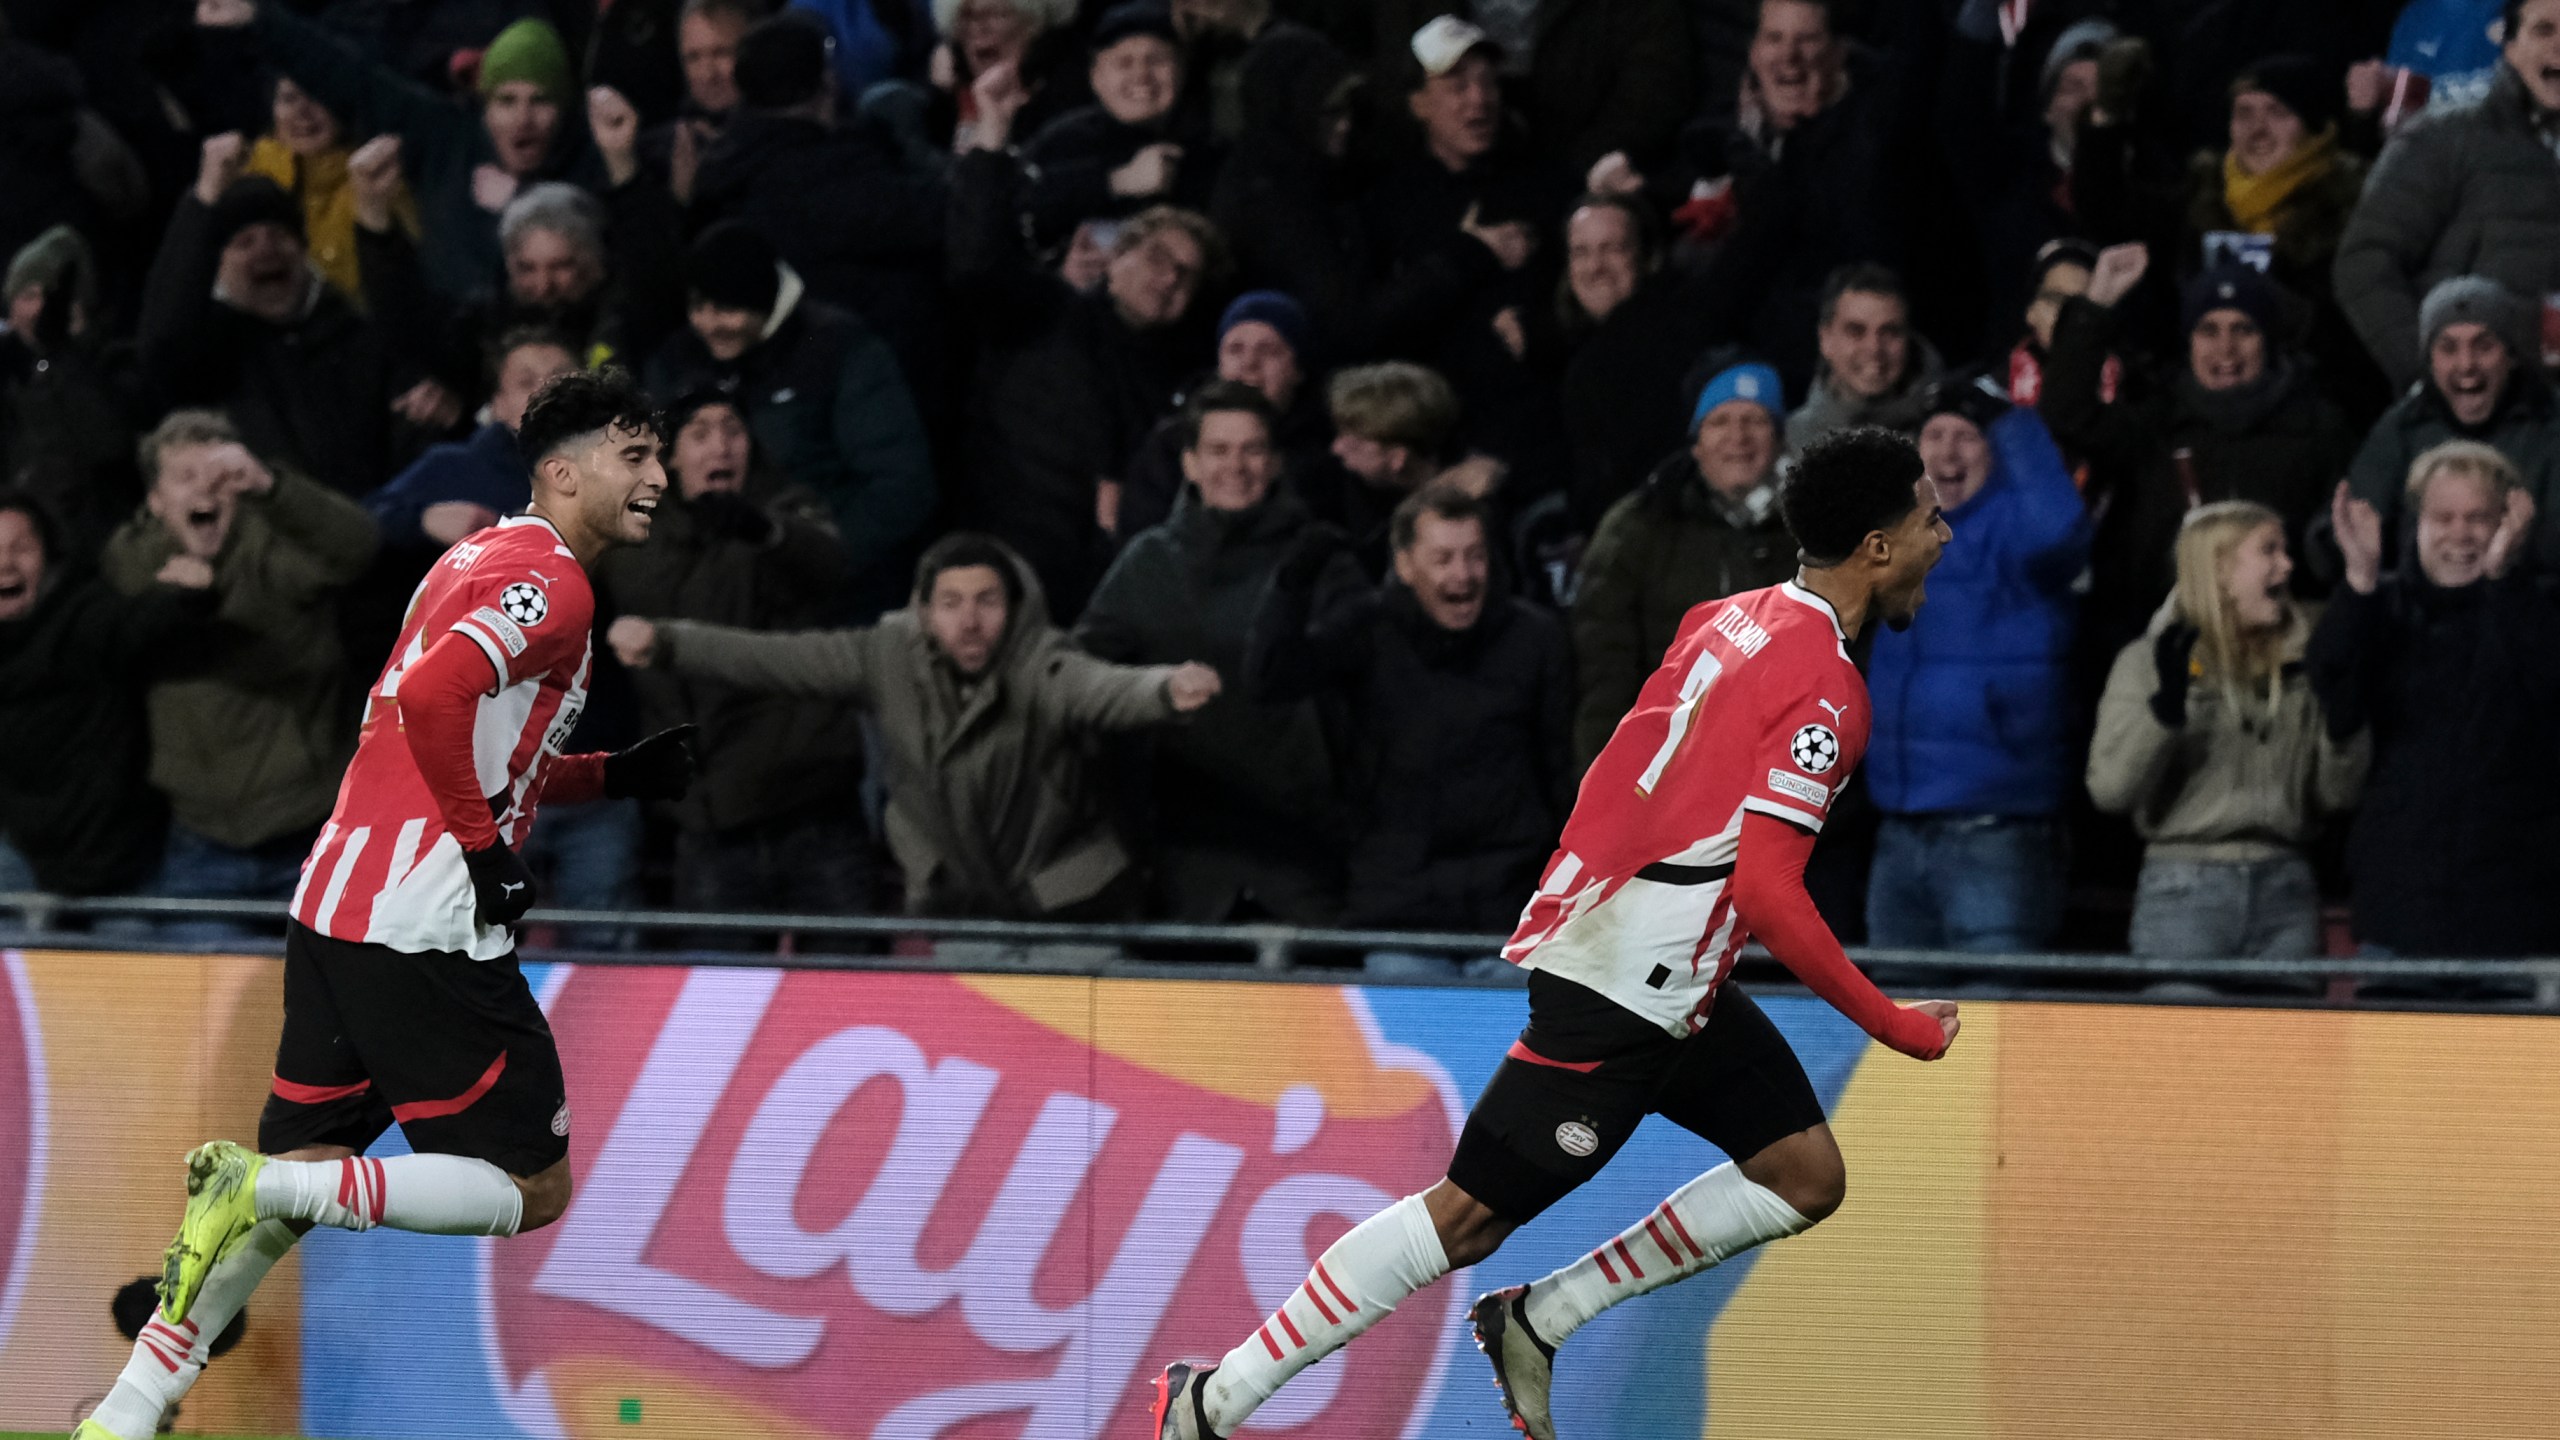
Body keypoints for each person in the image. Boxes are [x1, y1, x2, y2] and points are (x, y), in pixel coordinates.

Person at [1146, 425, 1961, 1440]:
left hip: (1657, 963)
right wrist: (1892, 1023)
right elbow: (1768, 891)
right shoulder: (1828, 691)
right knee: (1466, 1217)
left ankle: (1541, 1316)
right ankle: (1212, 1403)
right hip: (1629, 986)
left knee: (1804, 1175)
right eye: (1929, 517)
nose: (1944, 533)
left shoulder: (1728, 616)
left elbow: (1625, 768)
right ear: (1876, 547)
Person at [72, 369, 698, 1440]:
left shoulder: (472, 557)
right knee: (529, 1185)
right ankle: (266, 1193)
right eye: (633, 456)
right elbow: (434, 699)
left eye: (657, 454)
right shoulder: (558, 586)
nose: (657, 475)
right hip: (425, 922)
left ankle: (130, 1411)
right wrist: (482, 856)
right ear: (563, 470)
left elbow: (449, 731)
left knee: (302, 1170)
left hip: (335, 905)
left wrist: (609, 775)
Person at [611, 531, 1221, 917]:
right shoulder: (884, 656)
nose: (971, 620)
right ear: (925, 612)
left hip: (1071, 906)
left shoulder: (1043, 660)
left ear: (1014, 610)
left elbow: (1107, 689)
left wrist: (1166, 690)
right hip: (958, 905)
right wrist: (669, 643)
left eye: (987, 601)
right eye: (952, 603)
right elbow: (771, 658)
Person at [1242, 483, 1572, 957]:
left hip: (1510, 913)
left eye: (1474, 556)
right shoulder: (1367, 629)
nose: (1463, 575)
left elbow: (1563, 772)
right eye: (1443, 559)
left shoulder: (1536, 638)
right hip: (1396, 911)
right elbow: (1269, 679)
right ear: (1405, 565)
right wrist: (1292, 581)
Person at [1078, 383, 1366, 922]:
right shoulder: (1148, 564)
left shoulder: (1320, 558)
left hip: (1304, 849)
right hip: (1184, 851)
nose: (1236, 466)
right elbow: (1083, 676)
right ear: (1189, 463)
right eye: (1218, 450)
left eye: (1252, 450)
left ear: (1276, 462)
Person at [948, 60, 1227, 618]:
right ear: (1116, 256)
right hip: (1010, 567)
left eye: (1188, 274)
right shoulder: (1047, 312)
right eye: (1158, 257)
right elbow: (978, 263)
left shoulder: (1181, 380)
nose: (1170, 277)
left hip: (1108, 594)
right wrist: (993, 134)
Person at [98, 412, 380, 930]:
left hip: (310, 833)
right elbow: (122, 597)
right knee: (205, 1009)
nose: (206, 490)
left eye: (220, 476)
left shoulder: (275, 550)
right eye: (185, 478)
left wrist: (271, 485)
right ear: (155, 502)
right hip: (201, 839)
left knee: (330, 1004)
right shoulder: (132, 562)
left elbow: (358, 546)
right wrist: (178, 595)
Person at [595, 392, 872, 916]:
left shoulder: (785, 511)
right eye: (700, 434)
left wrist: (762, 530)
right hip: (706, 822)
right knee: (715, 996)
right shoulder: (629, 535)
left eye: (733, 431)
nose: (720, 447)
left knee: (842, 995)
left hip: (810, 807)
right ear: (670, 456)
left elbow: (826, 562)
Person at [1862, 378, 2090, 954]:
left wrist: (2012, 421)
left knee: (2000, 1022)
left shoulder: (2018, 527)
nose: (1948, 452)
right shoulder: (1890, 537)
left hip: (1997, 832)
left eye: (1967, 437)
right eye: (1934, 435)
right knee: (1896, 1028)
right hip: (1898, 826)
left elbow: (2061, 528)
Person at [2039, 244, 2354, 660]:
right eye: (2209, 330)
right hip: (2171, 644)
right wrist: (2095, 307)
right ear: (2189, 341)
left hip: (2283, 643)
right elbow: (2067, 412)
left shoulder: (2318, 427)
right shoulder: (2158, 421)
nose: (2226, 349)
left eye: (2243, 329)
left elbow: (2338, 534)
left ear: (2268, 340)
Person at [2310, 442, 2560, 957]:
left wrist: (2501, 582)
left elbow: (2545, 688)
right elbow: (2336, 695)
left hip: (2516, 916)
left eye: (2478, 518)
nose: (2460, 534)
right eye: (2443, 517)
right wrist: (2358, 581)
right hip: (2400, 908)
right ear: (2416, 522)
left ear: (2509, 523)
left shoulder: (2536, 609)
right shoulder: (2382, 609)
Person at [2088, 501, 2368, 959]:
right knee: (2183, 1033)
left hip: (2287, 886)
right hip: (2184, 891)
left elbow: (2338, 797)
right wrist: (2163, 716)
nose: (2288, 565)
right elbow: (2112, 791)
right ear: (2219, 570)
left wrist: (2344, 729)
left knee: (2283, 1034)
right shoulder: (2147, 663)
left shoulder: (2307, 663)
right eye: (2269, 550)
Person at [200, 0, 592, 305]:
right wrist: (261, 20)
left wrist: (519, 201)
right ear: (484, 103)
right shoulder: (445, 137)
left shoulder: (588, 164)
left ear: (564, 108)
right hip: (455, 359)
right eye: (506, 101)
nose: (523, 118)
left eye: (541, 101)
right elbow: (354, 79)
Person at [646, 221, 937, 619]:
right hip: (707, 596)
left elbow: (901, 486)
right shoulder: (680, 357)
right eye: (698, 307)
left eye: (727, 310)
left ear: (763, 305)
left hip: (829, 603)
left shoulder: (838, 352)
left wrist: (818, 559)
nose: (709, 323)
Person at [138, 143, 436, 496]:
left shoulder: (351, 334)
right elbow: (161, 344)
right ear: (217, 265)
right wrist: (204, 198)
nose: (266, 249)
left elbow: (416, 352)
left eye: (280, 235)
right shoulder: (208, 355)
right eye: (245, 242)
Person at [686, 9, 951, 383]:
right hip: (877, 381)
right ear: (825, 81)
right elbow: (942, 213)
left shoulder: (724, 170)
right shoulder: (831, 174)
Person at [1571, 358, 1796, 765]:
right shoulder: (1641, 526)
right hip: (1670, 770)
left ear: (1779, 437)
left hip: (1782, 776)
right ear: (1696, 442)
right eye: (1720, 422)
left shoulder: (1815, 527)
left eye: (1755, 420)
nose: (1738, 437)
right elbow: (1606, 669)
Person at [2334, 0, 2560, 391]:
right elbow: (2365, 262)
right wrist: (2432, 376)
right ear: (2509, 47)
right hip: (2474, 423)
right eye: (2544, 30)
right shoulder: (2442, 136)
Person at [0, 492, 216, 899]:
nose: (4, 564)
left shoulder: (83, 619)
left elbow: (136, 624)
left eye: (21, 547)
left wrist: (189, 596)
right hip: (22, 863)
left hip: (119, 876)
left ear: (50, 557)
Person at [2340, 276, 2560, 574]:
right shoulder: (2403, 427)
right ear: (2430, 362)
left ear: (2510, 356)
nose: (2466, 364)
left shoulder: (2549, 424)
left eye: (2484, 347)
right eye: (2448, 348)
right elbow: (2359, 522)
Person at [1118, 290, 1331, 542]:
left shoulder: (1330, 449)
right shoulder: (1170, 444)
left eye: (1269, 351)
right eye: (1235, 349)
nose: (1249, 363)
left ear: (1297, 369)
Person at [1019, 2, 1217, 246]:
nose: (1142, 75)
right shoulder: (1059, 142)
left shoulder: (1209, 152)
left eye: (1157, 60)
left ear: (1182, 70)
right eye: (1124, 62)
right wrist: (1116, 182)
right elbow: (1016, 209)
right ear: (1096, 77)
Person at [365, 330, 579, 553]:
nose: (547, 390)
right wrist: (424, 518)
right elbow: (369, 516)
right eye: (525, 383)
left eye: (563, 378)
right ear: (499, 405)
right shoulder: (454, 465)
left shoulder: (610, 466)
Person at [241, 76, 421, 305]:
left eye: (318, 95)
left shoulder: (381, 178)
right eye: (289, 98)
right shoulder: (249, 175)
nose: (302, 112)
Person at [1783, 264, 1944, 452]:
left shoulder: (1950, 438)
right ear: (1825, 340)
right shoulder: (1791, 442)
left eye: (1890, 331)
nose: (1874, 347)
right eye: (1856, 331)